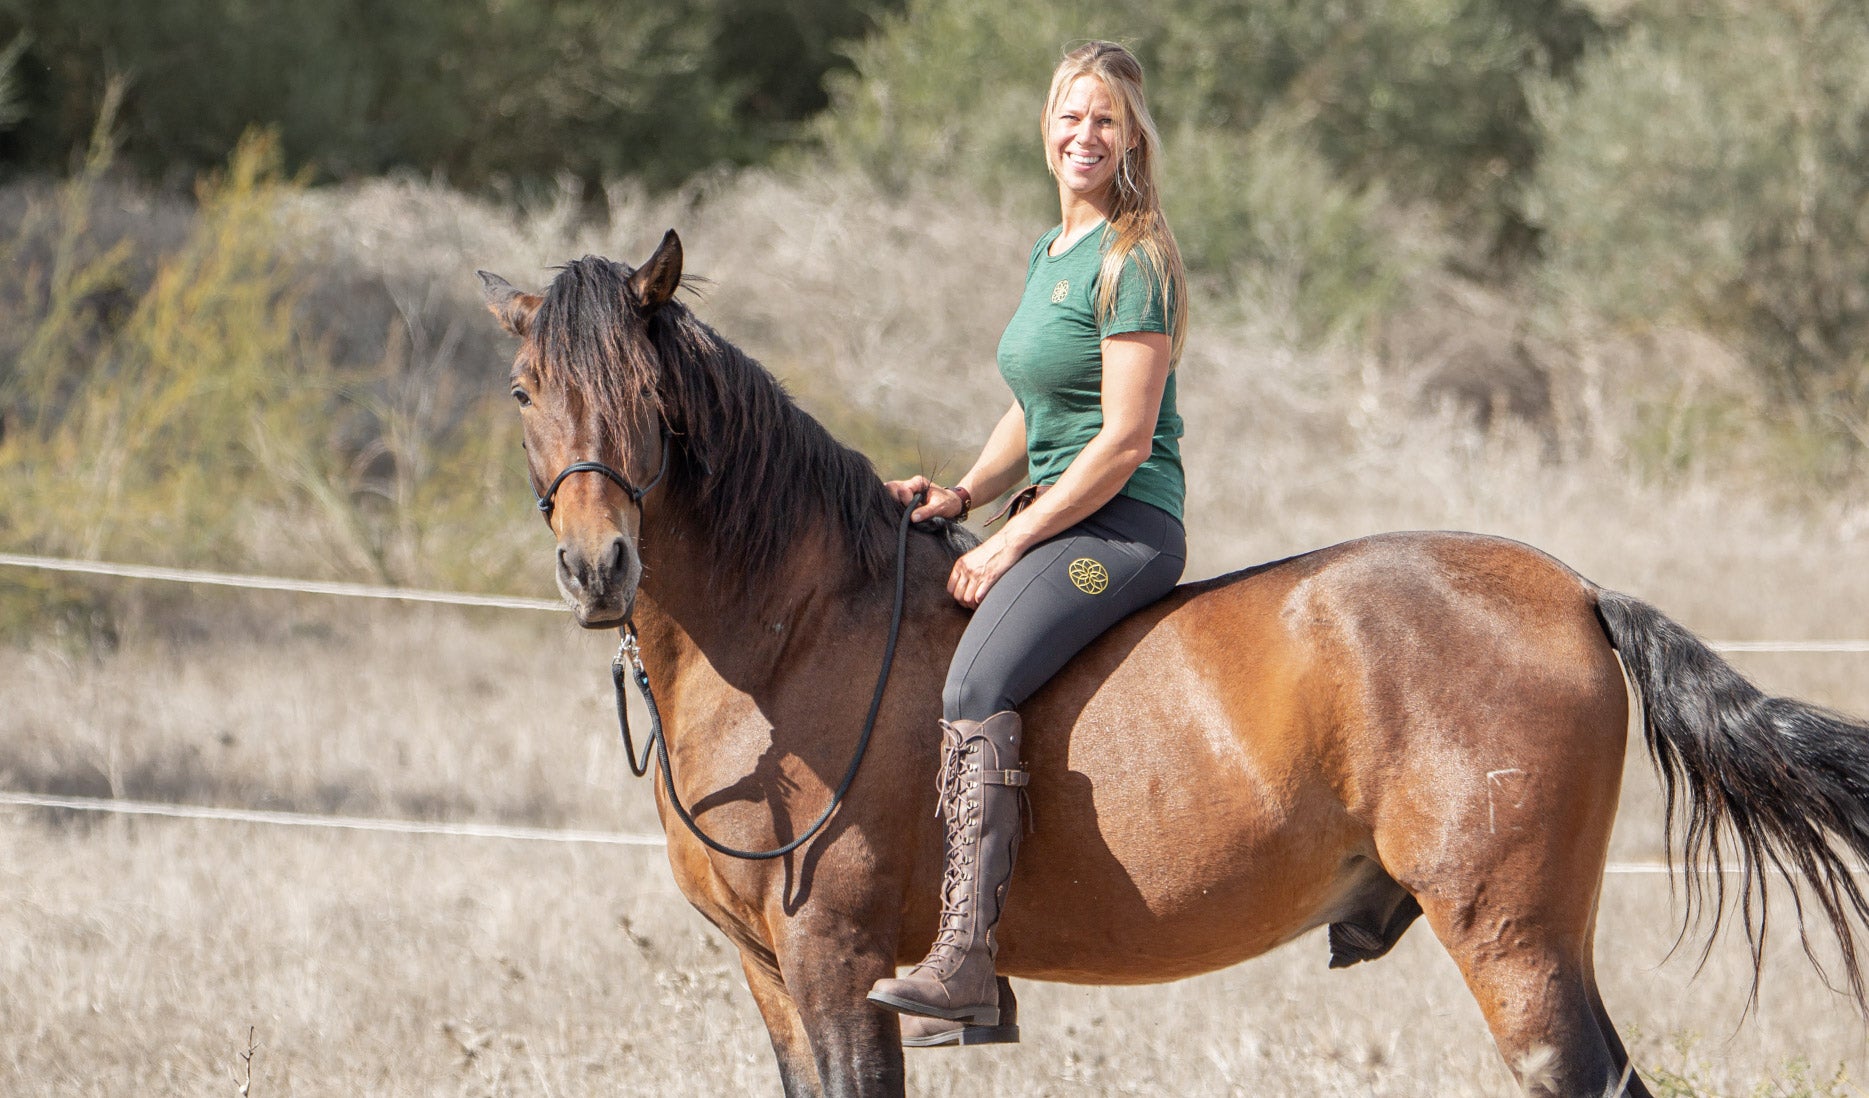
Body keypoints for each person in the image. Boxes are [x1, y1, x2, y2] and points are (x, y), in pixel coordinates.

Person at [866, 40, 1190, 1042]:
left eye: (1105, 119)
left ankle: (967, 963)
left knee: (972, 685)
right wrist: (963, 490)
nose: (1084, 134)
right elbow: (1036, 409)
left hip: (1121, 527)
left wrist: (1008, 543)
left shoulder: (1136, 258)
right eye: (1070, 115)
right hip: (1059, 513)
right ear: (1046, 129)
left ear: (1133, 135)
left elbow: (1124, 440)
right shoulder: (1050, 253)